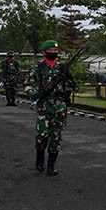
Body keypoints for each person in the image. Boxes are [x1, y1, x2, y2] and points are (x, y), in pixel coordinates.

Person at [24, 40, 77, 176]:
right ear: (44, 52)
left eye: (55, 50)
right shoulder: (38, 68)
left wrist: (68, 80)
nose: (53, 52)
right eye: (51, 50)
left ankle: (51, 165)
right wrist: (35, 94)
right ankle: (40, 156)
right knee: (42, 136)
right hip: (44, 105)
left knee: (56, 136)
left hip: (59, 106)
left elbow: (72, 85)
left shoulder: (62, 67)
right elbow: (28, 84)